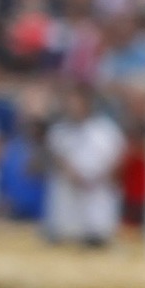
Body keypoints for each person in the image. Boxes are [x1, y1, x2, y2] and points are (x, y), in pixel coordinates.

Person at [44, 81, 126, 245]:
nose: (72, 106)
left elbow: (119, 159)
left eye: (76, 101)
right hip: (66, 207)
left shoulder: (106, 131)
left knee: (95, 242)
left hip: (97, 203)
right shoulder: (59, 132)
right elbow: (54, 158)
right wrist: (71, 172)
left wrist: (95, 177)